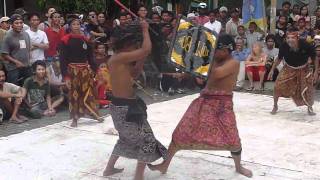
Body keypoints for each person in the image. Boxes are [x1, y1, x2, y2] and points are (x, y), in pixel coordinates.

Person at [147, 34, 253, 178]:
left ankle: (239, 166)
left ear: (228, 49)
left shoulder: (234, 61)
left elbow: (216, 74)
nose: (214, 52)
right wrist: (186, 74)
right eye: (214, 49)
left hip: (223, 105)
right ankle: (164, 165)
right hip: (204, 100)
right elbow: (202, 78)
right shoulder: (213, 59)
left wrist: (201, 61)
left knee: (232, 137)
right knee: (181, 131)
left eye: (217, 49)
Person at [103, 20, 167, 180]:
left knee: (124, 139)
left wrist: (141, 58)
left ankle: (109, 169)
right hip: (124, 109)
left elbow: (135, 73)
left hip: (125, 106)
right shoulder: (118, 58)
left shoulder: (121, 60)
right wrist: (145, 29)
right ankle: (138, 176)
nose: (136, 48)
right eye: (134, 45)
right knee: (147, 141)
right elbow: (146, 49)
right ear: (126, 44)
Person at [59, 16, 102, 127]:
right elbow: (62, 60)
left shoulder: (85, 40)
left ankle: (92, 113)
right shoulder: (65, 40)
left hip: (85, 71)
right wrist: (66, 77)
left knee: (89, 92)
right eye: (74, 24)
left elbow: (90, 57)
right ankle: (75, 118)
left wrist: (96, 70)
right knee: (74, 94)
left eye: (78, 24)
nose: (76, 26)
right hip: (72, 71)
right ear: (70, 26)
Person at [268, 28, 318, 115]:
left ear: (297, 38)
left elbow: (315, 57)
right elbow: (279, 59)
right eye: (288, 38)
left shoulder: (306, 45)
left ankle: (310, 107)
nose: (290, 40)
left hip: (303, 69)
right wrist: (272, 70)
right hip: (288, 68)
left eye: (292, 38)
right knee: (277, 86)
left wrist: (316, 71)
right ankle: (275, 105)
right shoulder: (284, 46)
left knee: (308, 89)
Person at [1, 14, 32, 85]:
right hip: (13, 68)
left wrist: (29, 59)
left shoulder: (26, 34)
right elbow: (4, 54)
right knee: (14, 89)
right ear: (11, 24)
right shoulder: (8, 36)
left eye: (21, 23)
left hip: (26, 66)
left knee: (28, 86)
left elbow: (28, 48)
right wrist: (16, 62)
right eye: (16, 23)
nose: (19, 25)